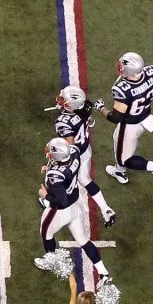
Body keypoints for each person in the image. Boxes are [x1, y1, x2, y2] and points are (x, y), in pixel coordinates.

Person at [35, 139, 110, 282]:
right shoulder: (74, 153)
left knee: (46, 232)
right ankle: (103, 272)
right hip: (75, 205)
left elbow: (60, 199)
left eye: (51, 152)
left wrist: (45, 195)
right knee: (83, 240)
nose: (49, 153)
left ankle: (51, 260)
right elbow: (64, 167)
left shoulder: (55, 176)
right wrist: (50, 168)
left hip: (60, 210)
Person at [94, 52, 153, 187]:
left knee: (124, 159)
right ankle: (119, 172)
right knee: (120, 144)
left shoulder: (122, 90)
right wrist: (147, 88)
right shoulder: (152, 72)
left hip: (129, 126)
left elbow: (115, 117)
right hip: (146, 117)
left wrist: (101, 108)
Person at [55, 86, 117, 226]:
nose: (61, 99)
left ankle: (51, 200)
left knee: (58, 177)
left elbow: (69, 146)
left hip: (74, 154)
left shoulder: (63, 122)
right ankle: (106, 209)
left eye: (64, 99)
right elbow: (91, 122)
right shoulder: (85, 107)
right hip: (85, 150)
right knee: (85, 180)